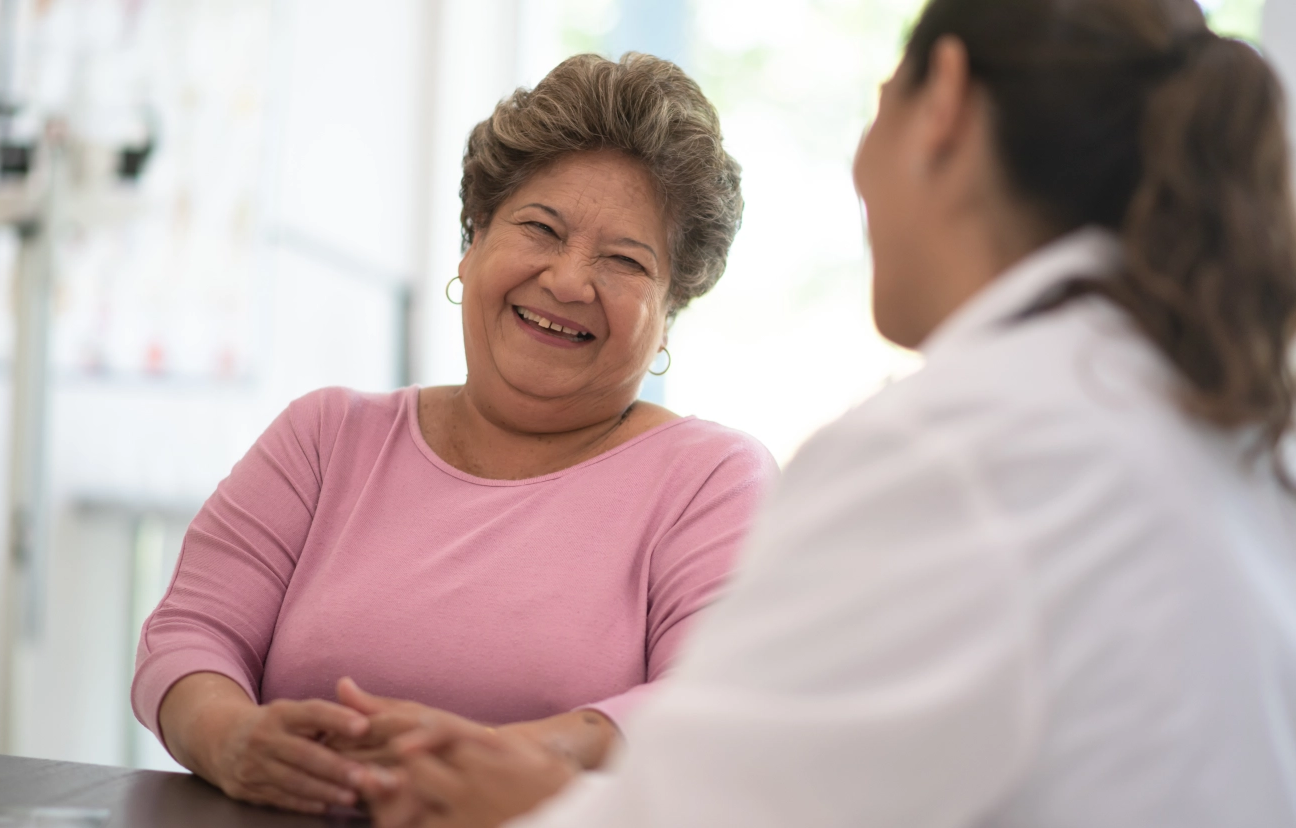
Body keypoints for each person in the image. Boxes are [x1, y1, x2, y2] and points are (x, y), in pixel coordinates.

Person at [356, 0, 1296, 825]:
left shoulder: (957, 451)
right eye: (540, 229)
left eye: (878, 102)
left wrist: (522, 807)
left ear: (945, 103)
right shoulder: (1212, 413)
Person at [130, 53, 776, 816]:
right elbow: (189, 633)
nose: (569, 280)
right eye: (541, 228)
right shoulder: (325, 436)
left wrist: (526, 757)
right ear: (472, 245)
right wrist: (230, 738)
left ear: (668, 312)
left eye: (625, 261)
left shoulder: (712, 479)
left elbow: (713, 702)